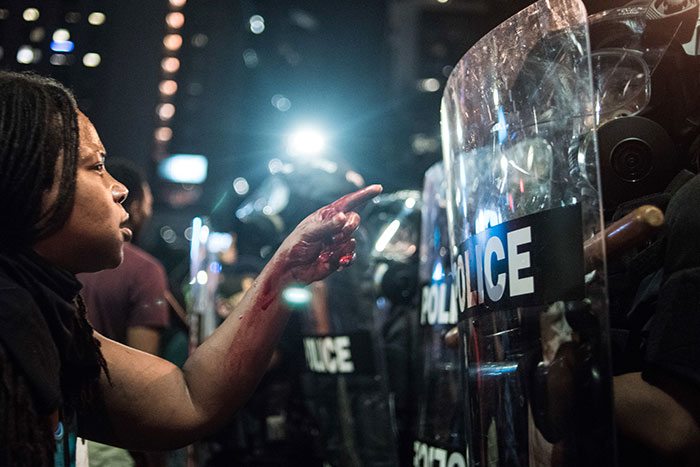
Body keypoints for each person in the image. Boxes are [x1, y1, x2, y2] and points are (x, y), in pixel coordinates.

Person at [0, 70, 382, 466]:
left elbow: (188, 401)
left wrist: (286, 268)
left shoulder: (46, 322)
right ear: (26, 179)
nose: (120, 188)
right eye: (96, 166)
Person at [76, 160, 170, 466]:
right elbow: (145, 376)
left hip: (66, 424)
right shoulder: (145, 271)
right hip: (112, 438)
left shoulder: (65, 259)